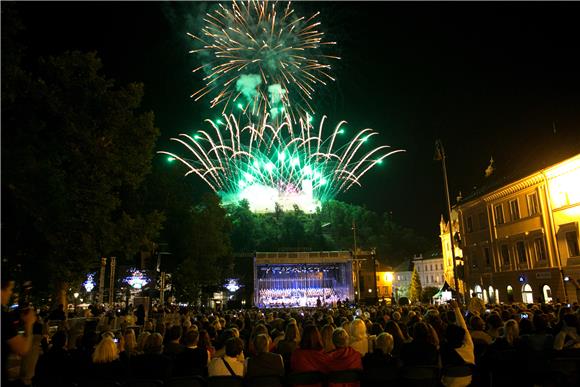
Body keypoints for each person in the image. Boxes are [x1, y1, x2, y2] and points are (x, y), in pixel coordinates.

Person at [2, 275, 37, 386]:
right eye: (10, 289)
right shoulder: (3, 318)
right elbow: (22, 349)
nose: (11, 293)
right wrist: (29, 324)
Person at [440, 300, 475, 387]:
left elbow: (440, 368)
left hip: (448, 383)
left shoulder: (444, 349)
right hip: (468, 381)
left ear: (446, 337)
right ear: (462, 336)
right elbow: (464, 328)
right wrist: (456, 308)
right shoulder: (468, 346)